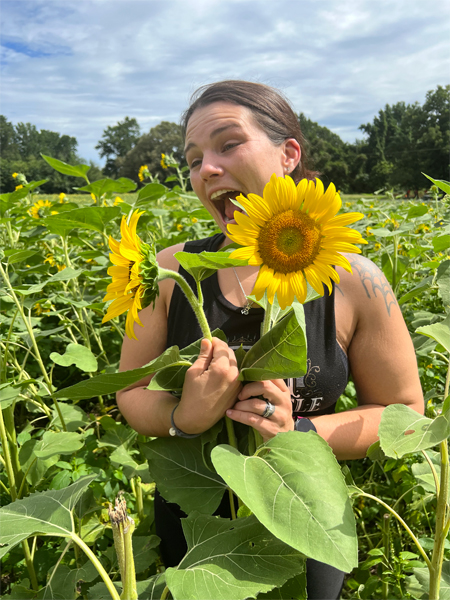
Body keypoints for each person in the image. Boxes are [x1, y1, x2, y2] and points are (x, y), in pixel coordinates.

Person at [116, 80, 424, 600]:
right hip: (199, 534)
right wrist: (184, 416)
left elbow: (404, 413)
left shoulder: (354, 278)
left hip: (304, 520)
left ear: (288, 155)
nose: (206, 169)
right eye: (192, 160)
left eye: (228, 143)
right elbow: (129, 392)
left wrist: (299, 431)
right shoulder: (172, 271)